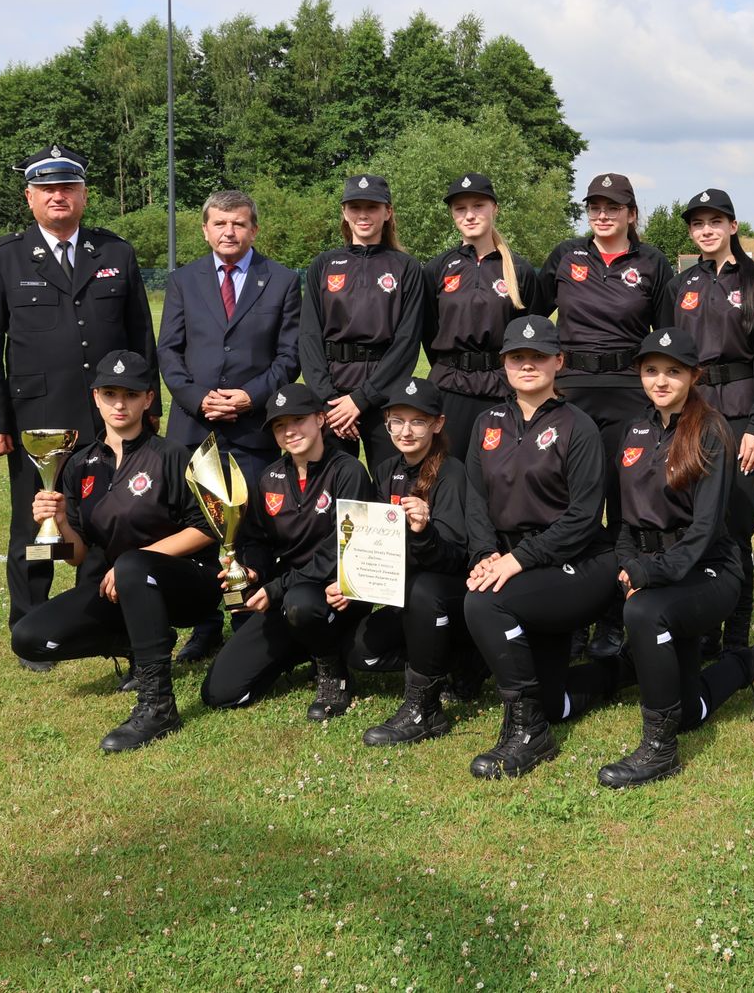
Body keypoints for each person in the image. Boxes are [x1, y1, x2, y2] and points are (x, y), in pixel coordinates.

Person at [0, 145, 155, 665]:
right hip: (38, 425)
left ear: (84, 195)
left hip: (111, 419)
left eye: (68, 188)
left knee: (117, 519)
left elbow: (141, 333)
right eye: (47, 189)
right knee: (38, 527)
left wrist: (149, 404)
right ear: (30, 197)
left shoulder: (114, 253)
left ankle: (113, 620)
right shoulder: (2, 257)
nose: (58, 196)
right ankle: (33, 628)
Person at [599, 330, 754, 788]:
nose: (661, 381)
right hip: (658, 569)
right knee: (690, 712)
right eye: (651, 371)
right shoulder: (632, 429)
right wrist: (630, 563)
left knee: (644, 610)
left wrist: (649, 572)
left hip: (708, 569)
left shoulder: (710, 429)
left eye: (673, 371)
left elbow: (706, 531)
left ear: (694, 375)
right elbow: (624, 520)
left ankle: (659, 750)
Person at [8, 350, 219, 752]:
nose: (119, 404)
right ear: (96, 397)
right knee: (29, 636)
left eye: (130, 393)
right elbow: (79, 554)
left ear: (148, 399)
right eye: (110, 393)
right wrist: (60, 521)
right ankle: (137, 642)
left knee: (136, 565)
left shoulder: (171, 455)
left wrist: (131, 564)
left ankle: (158, 706)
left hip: (185, 583)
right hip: (122, 585)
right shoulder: (80, 464)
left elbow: (206, 528)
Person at [460, 315, 624, 779]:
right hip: (514, 563)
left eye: (538, 357)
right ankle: (619, 673)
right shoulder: (485, 422)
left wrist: (515, 561)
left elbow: (583, 519)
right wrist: (485, 553)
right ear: (504, 365)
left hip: (576, 563)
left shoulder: (579, 427)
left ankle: (529, 733)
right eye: (517, 357)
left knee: (484, 603)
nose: (527, 365)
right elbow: (475, 498)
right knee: (555, 701)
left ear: (559, 361)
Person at [157, 189, 301, 665]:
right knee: (198, 527)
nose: (229, 232)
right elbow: (169, 352)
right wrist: (199, 400)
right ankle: (204, 625)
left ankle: (247, 619)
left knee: (251, 528)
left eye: (238, 224)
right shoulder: (182, 280)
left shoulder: (280, 280)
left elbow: (289, 356)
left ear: (254, 229)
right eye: (219, 224)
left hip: (252, 428)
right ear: (205, 229)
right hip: (194, 428)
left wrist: (249, 396)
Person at [200, 383, 401, 720]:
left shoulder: (348, 471)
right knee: (220, 693)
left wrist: (277, 587)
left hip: (336, 594)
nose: (289, 431)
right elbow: (260, 541)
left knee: (302, 604)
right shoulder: (269, 478)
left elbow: (342, 547)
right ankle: (302, 648)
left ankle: (331, 671)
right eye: (280, 425)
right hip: (287, 597)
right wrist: (253, 572)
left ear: (321, 419)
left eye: (298, 420)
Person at [542, 171, 672, 659]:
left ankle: (616, 619)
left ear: (631, 214)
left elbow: (669, 337)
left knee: (623, 508)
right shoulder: (565, 256)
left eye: (613, 207)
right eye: (594, 206)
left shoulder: (653, 263)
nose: (602, 214)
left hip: (629, 395)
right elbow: (527, 316)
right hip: (571, 392)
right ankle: (570, 614)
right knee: (568, 505)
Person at [354, 376, 498, 747]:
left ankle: (423, 707)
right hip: (403, 593)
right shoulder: (385, 470)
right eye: (397, 421)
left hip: (446, 591)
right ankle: (457, 662)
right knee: (359, 651)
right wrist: (349, 576)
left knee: (423, 589)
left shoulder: (453, 474)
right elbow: (369, 542)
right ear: (386, 424)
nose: (406, 431)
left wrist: (424, 530)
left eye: (418, 421)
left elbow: (455, 558)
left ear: (438, 424)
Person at [668, 188, 754, 655]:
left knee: (735, 524)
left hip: (737, 414)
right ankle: (701, 626)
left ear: (733, 226)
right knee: (692, 519)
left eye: (715, 221)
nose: (706, 230)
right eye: (698, 224)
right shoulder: (682, 285)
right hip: (689, 413)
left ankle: (735, 633)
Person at [299, 174, 426, 472]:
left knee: (391, 481)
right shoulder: (324, 264)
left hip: (383, 393)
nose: (363, 214)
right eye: (355, 207)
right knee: (330, 484)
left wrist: (362, 398)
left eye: (372, 206)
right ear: (344, 212)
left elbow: (407, 342)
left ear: (388, 212)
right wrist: (330, 402)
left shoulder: (405, 267)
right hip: (332, 394)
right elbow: (308, 337)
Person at [423, 173, 551, 462]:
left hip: (501, 388)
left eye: (478, 205)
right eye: (460, 208)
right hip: (450, 387)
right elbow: (428, 331)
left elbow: (530, 334)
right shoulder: (437, 268)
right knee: (447, 473)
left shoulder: (520, 270)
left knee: (499, 474)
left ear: (495, 208)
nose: (470, 215)